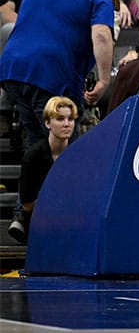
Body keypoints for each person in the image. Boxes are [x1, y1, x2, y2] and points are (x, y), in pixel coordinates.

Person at [0, 0, 117, 157]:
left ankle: (36, 179)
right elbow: (101, 35)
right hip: (51, 76)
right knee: (64, 151)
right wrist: (104, 80)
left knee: (37, 145)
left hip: (13, 71)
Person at [6, 95, 77, 245]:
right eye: (60, 119)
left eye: (70, 119)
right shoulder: (33, 156)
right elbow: (27, 203)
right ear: (47, 123)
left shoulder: (79, 152)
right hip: (40, 215)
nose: (66, 124)